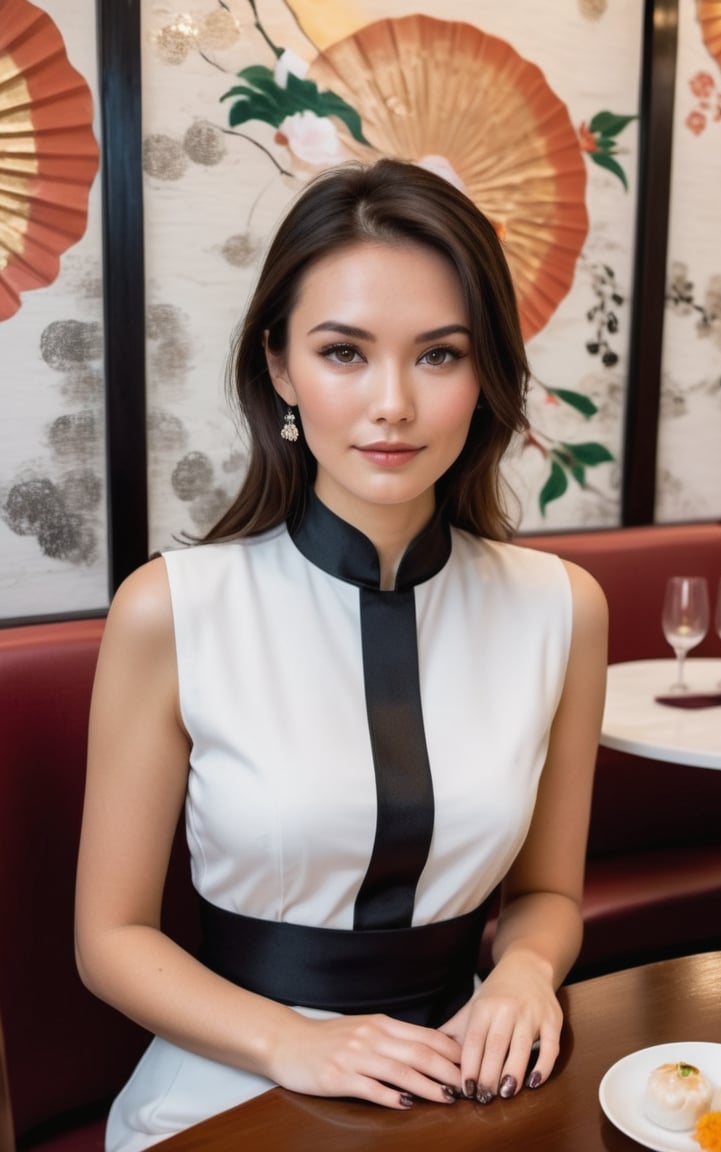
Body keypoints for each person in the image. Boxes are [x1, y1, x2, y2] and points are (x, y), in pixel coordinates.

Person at [75, 157, 607, 1151]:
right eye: (344, 352)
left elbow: (547, 895)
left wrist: (527, 974)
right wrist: (295, 1044)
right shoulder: (172, 611)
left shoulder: (563, 610)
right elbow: (110, 941)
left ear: (486, 372)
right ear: (279, 365)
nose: (393, 403)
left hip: (471, 1075)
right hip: (233, 1082)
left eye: (439, 355)